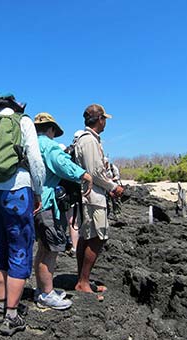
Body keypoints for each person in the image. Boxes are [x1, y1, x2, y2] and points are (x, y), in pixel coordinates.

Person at [0, 93, 45, 336]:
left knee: (1, 249)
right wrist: (38, 190)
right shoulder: (23, 122)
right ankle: (12, 316)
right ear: (16, 107)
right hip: (18, 190)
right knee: (20, 248)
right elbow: (35, 159)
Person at [33, 113, 92, 310]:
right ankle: (47, 294)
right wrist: (83, 174)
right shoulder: (48, 146)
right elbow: (62, 165)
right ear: (51, 129)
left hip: (34, 203)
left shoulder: (30, 146)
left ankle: (41, 289)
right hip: (48, 203)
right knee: (50, 251)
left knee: (42, 249)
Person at [74, 104, 123, 301]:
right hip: (93, 197)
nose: (105, 123)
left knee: (88, 236)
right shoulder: (89, 141)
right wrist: (113, 187)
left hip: (90, 195)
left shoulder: (88, 140)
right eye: (104, 119)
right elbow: (95, 172)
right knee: (97, 237)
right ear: (100, 119)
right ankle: (83, 282)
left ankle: (82, 279)